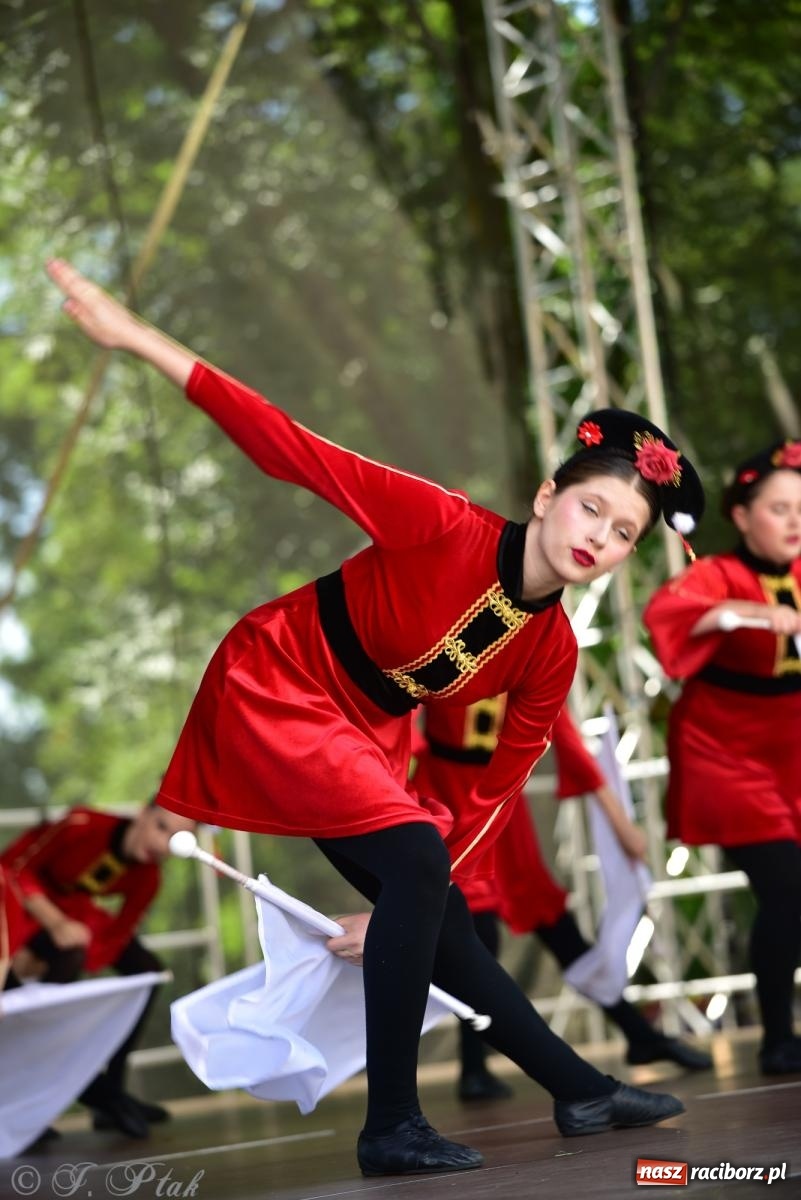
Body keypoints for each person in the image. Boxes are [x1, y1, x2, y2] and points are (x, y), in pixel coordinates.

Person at [46, 259, 704, 1176]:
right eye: (589, 506)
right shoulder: (440, 523)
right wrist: (140, 341)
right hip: (277, 681)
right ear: (547, 498)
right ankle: (391, 1123)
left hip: (362, 731)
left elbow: (501, 782)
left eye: (623, 531)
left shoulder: (552, 650)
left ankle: (579, 1089)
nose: (597, 535)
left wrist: (412, 897)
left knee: (430, 902)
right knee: (418, 867)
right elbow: (288, 445)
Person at [412, 700, 712, 1103]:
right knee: (473, 926)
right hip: (446, 799)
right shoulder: (444, 647)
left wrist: (621, 825)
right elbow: (401, 721)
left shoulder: (529, 653)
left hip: (499, 802)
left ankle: (638, 1034)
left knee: (550, 917)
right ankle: (474, 1067)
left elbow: (566, 738)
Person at [644, 442, 801, 1076]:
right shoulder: (716, 573)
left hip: (793, 752)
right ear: (741, 516)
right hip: (725, 754)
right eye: (779, 509)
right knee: (789, 889)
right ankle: (777, 1036)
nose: (794, 521)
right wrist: (762, 616)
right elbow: (668, 614)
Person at [1, 799, 197, 1137]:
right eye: (161, 827)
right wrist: (55, 923)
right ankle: (40, 1102)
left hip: (74, 915)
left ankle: (112, 1089)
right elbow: (15, 867)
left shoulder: (147, 877)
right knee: (65, 961)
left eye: (175, 840)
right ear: (142, 814)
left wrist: (90, 949)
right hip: (21, 903)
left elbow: (117, 934)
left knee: (147, 972)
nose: (161, 844)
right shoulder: (82, 824)